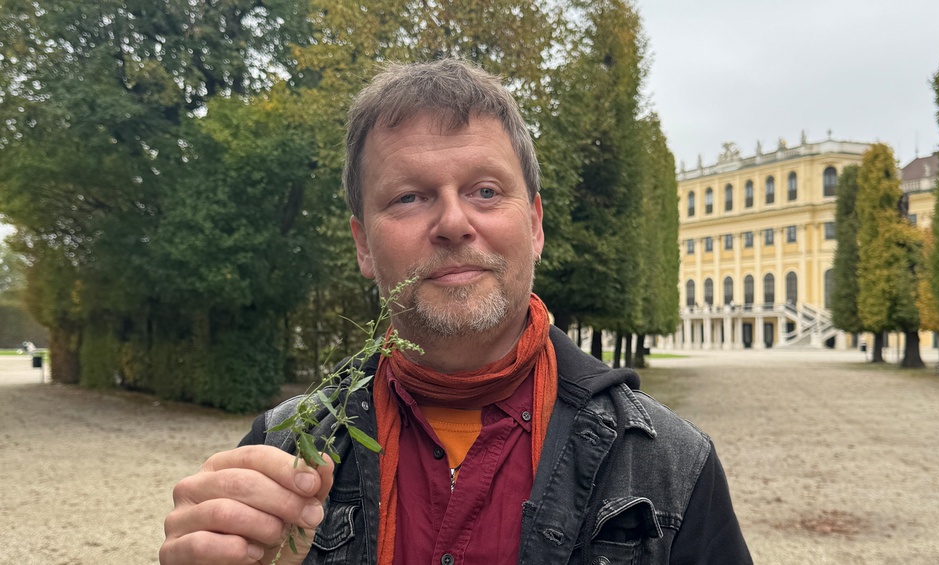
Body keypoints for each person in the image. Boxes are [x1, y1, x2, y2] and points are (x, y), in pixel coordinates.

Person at [160, 58, 752, 565]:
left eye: (485, 191)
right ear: (363, 244)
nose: (452, 223)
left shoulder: (670, 467)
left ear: (536, 224)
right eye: (409, 197)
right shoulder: (282, 449)